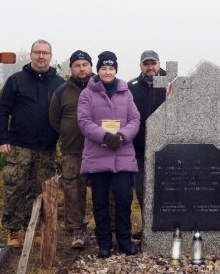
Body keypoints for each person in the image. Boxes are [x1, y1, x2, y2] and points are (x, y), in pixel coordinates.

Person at [0, 39, 65, 248]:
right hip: (19, 145)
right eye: (37, 52)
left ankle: (32, 229)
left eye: (45, 53)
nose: (41, 56)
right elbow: (2, 111)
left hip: (47, 147)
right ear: (31, 55)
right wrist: (2, 138)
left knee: (40, 191)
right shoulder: (16, 80)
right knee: (15, 188)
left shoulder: (59, 83)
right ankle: (13, 230)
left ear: (51, 56)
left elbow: (66, 114)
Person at [78, 51, 141, 258]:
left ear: (116, 70)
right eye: (104, 68)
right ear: (98, 70)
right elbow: (84, 121)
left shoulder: (126, 92)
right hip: (98, 154)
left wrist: (121, 136)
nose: (107, 72)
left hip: (122, 154)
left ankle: (124, 240)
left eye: (111, 68)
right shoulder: (87, 93)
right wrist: (105, 137)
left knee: (124, 200)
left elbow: (135, 119)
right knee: (100, 202)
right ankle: (104, 243)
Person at [49, 50, 93, 249]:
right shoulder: (61, 92)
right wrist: (70, 132)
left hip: (100, 150)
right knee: (73, 191)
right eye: (77, 65)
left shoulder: (100, 87)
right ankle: (77, 230)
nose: (81, 68)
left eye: (85, 65)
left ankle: (108, 230)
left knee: (107, 191)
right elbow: (54, 119)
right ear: (71, 68)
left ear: (91, 67)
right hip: (72, 150)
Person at [127, 50, 167, 240]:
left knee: (167, 188)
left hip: (167, 149)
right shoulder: (132, 87)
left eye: (153, 63)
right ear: (140, 65)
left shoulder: (172, 84)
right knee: (143, 189)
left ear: (159, 64)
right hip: (140, 148)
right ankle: (148, 229)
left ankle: (169, 226)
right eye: (146, 64)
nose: (150, 67)